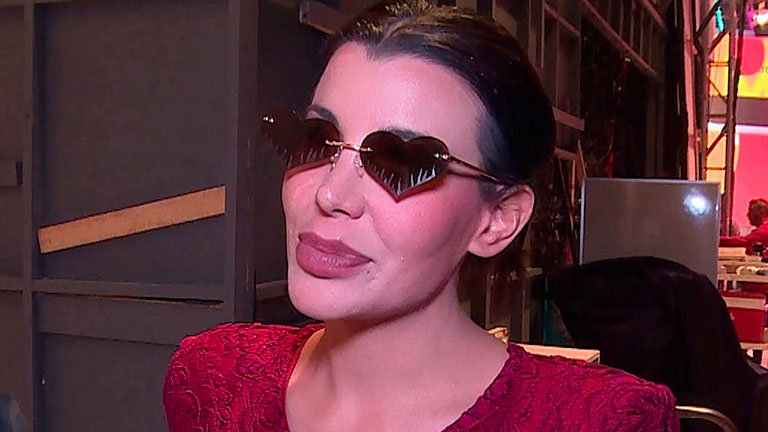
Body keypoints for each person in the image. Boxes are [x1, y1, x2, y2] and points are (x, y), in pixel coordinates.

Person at [163, 2, 679, 431]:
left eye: (400, 162)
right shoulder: (216, 381)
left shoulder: (601, 421)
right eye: (319, 140)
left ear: (497, 219)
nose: (330, 193)